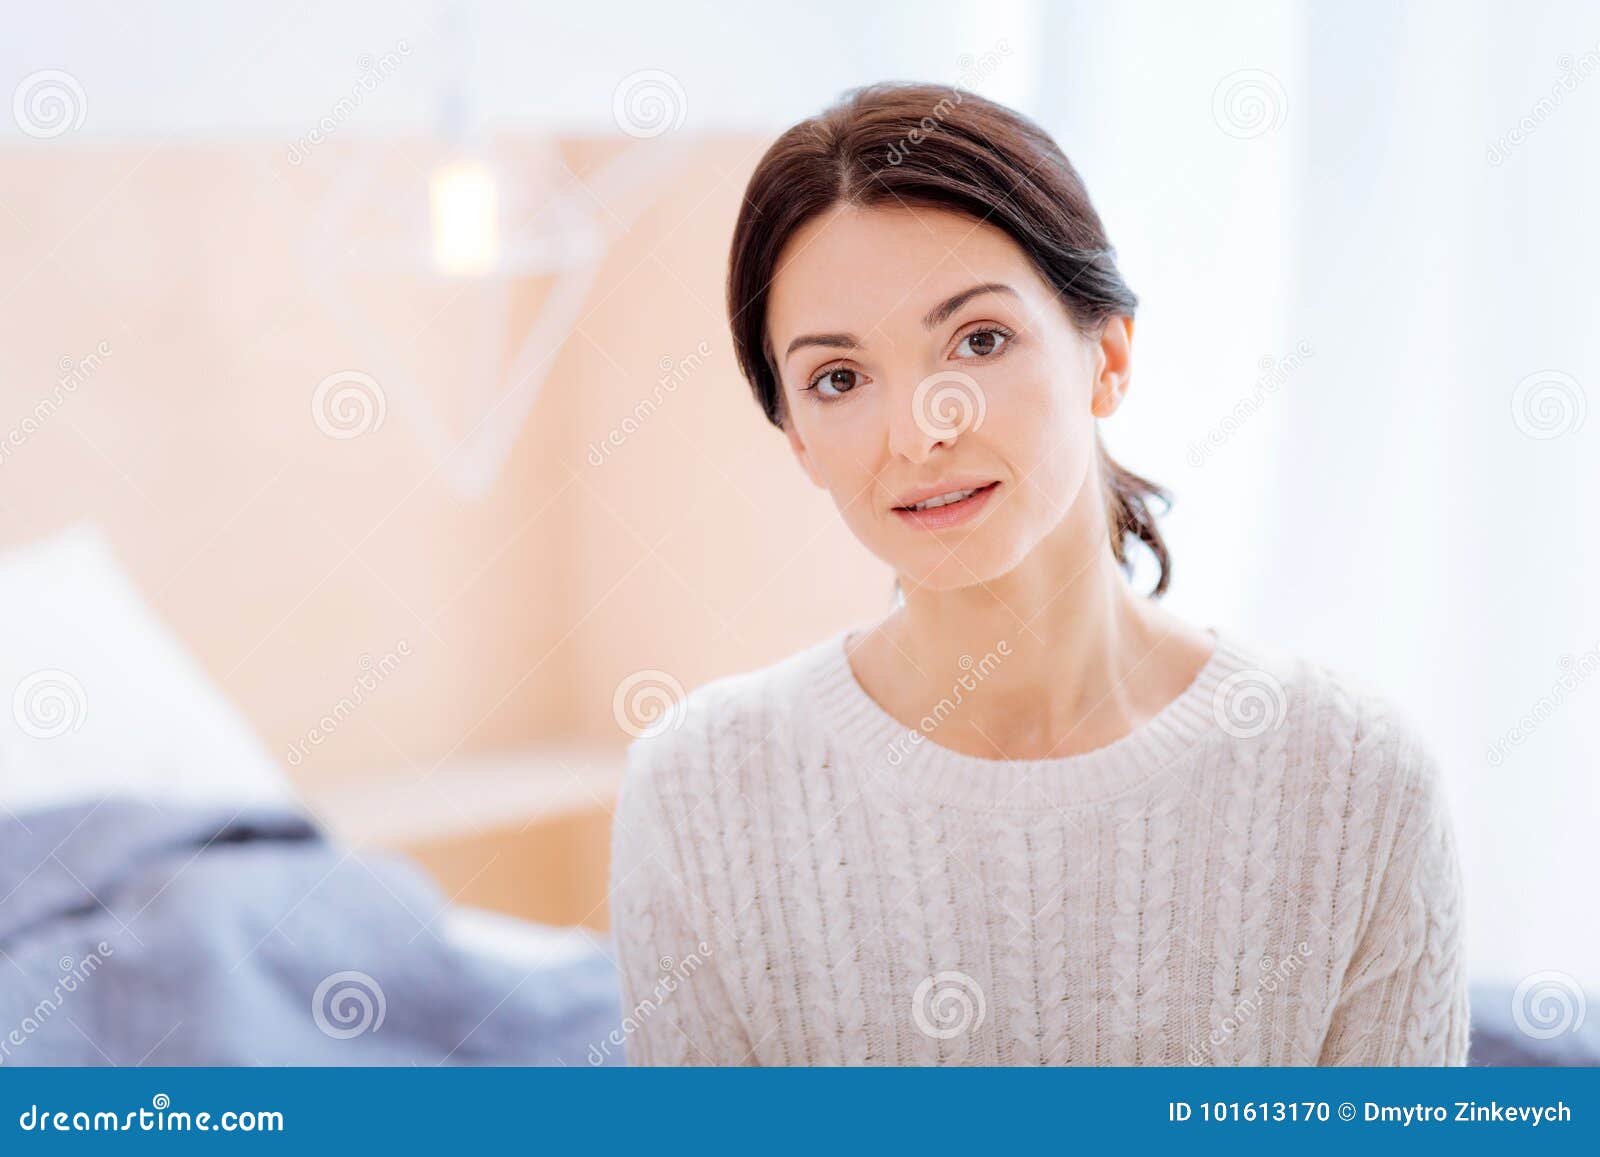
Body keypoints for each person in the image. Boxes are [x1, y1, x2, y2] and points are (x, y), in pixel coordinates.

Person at [607, 82, 1469, 1066]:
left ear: (1105, 356)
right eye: (838, 378)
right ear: (797, 437)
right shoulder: (701, 790)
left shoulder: (1355, 779)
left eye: (978, 340)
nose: (918, 430)